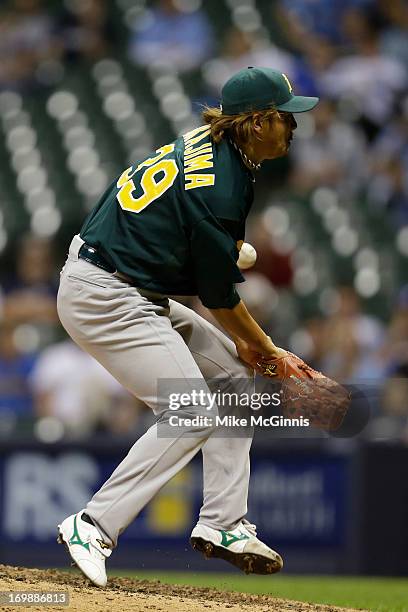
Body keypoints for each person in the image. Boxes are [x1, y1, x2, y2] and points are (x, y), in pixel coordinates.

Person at [56, 67, 318, 587]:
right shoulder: (223, 186)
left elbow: (193, 240)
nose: (294, 126)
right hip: (104, 293)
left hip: (132, 286)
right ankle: (93, 525)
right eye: (287, 116)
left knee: (234, 386)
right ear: (259, 121)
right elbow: (218, 295)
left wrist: (219, 252)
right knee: (192, 410)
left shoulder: (211, 144)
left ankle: (224, 524)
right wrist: (269, 349)